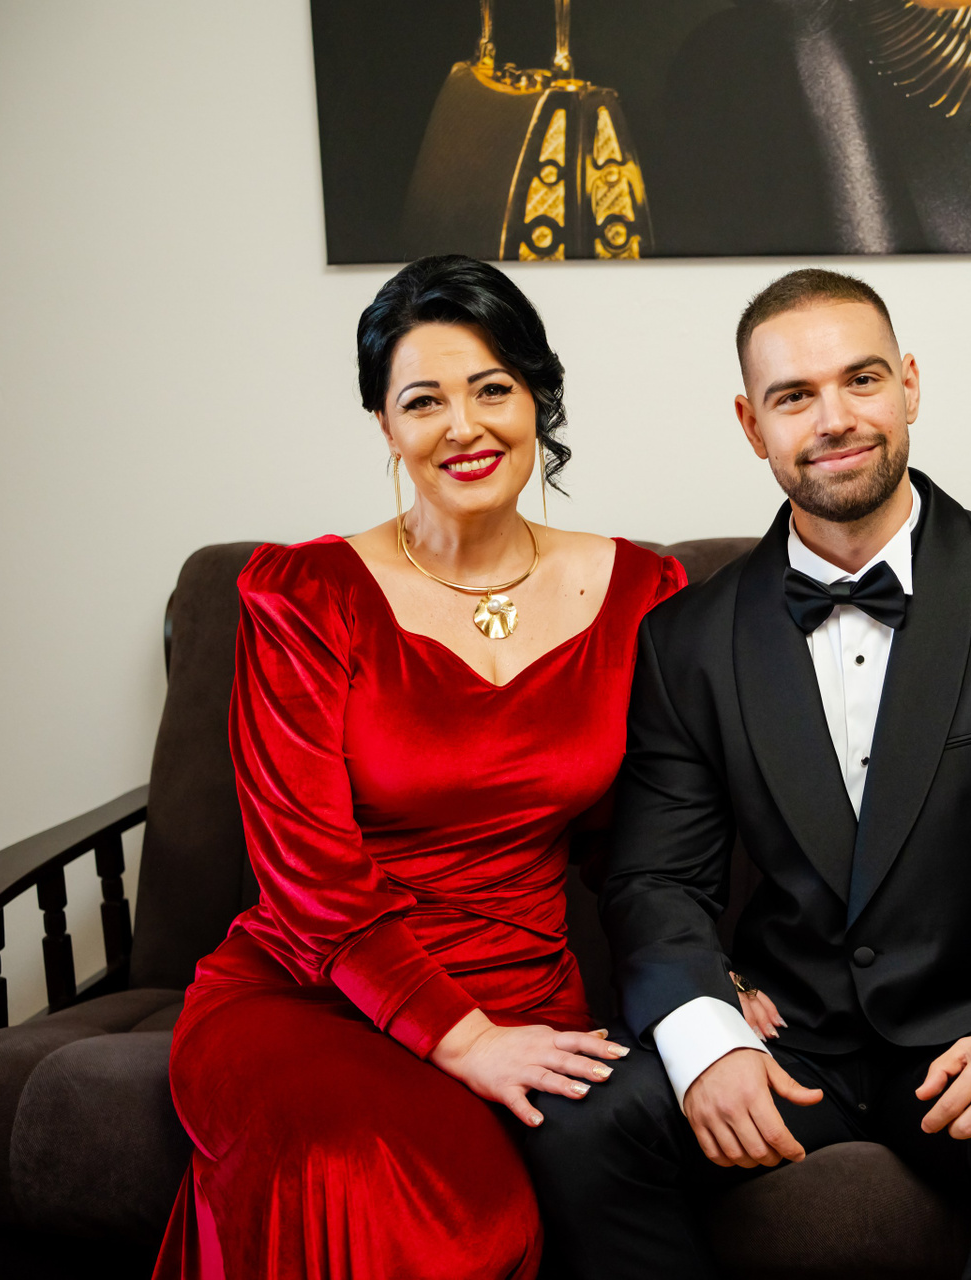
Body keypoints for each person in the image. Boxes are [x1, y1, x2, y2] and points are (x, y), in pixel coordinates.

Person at [519, 269, 971, 1279]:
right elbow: (655, 880)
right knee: (579, 1129)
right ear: (751, 424)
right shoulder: (687, 640)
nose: (834, 419)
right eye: (794, 396)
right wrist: (709, 1034)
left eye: (861, 380)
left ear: (909, 385)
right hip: (789, 1036)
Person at [154, 255, 684, 1278]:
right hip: (314, 996)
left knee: (482, 1215)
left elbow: (648, 841)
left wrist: (706, 973)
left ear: (537, 398)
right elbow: (306, 874)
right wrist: (463, 1038)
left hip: (528, 997)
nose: (463, 426)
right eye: (423, 400)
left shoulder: (641, 591)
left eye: (492, 388)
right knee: (419, 1207)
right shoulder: (305, 594)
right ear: (385, 426)